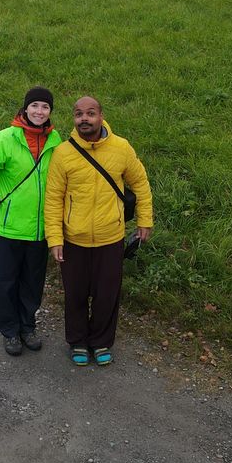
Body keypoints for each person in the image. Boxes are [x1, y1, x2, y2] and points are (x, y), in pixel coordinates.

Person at [44, 96, 153, 367]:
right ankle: (78, 342)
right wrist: (54, 238)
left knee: (107, 294)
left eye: (90, 113)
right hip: (73, 239)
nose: (84, 119)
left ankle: (101, 342)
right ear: (74, 119)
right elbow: (54, 198)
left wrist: (145, 221)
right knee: (75, 294)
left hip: (110, 237)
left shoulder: (121, 148)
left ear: (101, 116)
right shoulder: (63, 153)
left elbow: (140, 183)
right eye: (79, 114)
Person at [0, 87, 62, 356]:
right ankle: (10, 331)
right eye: (34, 106)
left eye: (45, 107)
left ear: (50, 112)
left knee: (32, 284)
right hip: (7, 228)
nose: (39, 111)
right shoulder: (5, 138)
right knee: (6, 282)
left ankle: (27, 326)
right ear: (25, 109)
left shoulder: (56, 141)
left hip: (38, 230)